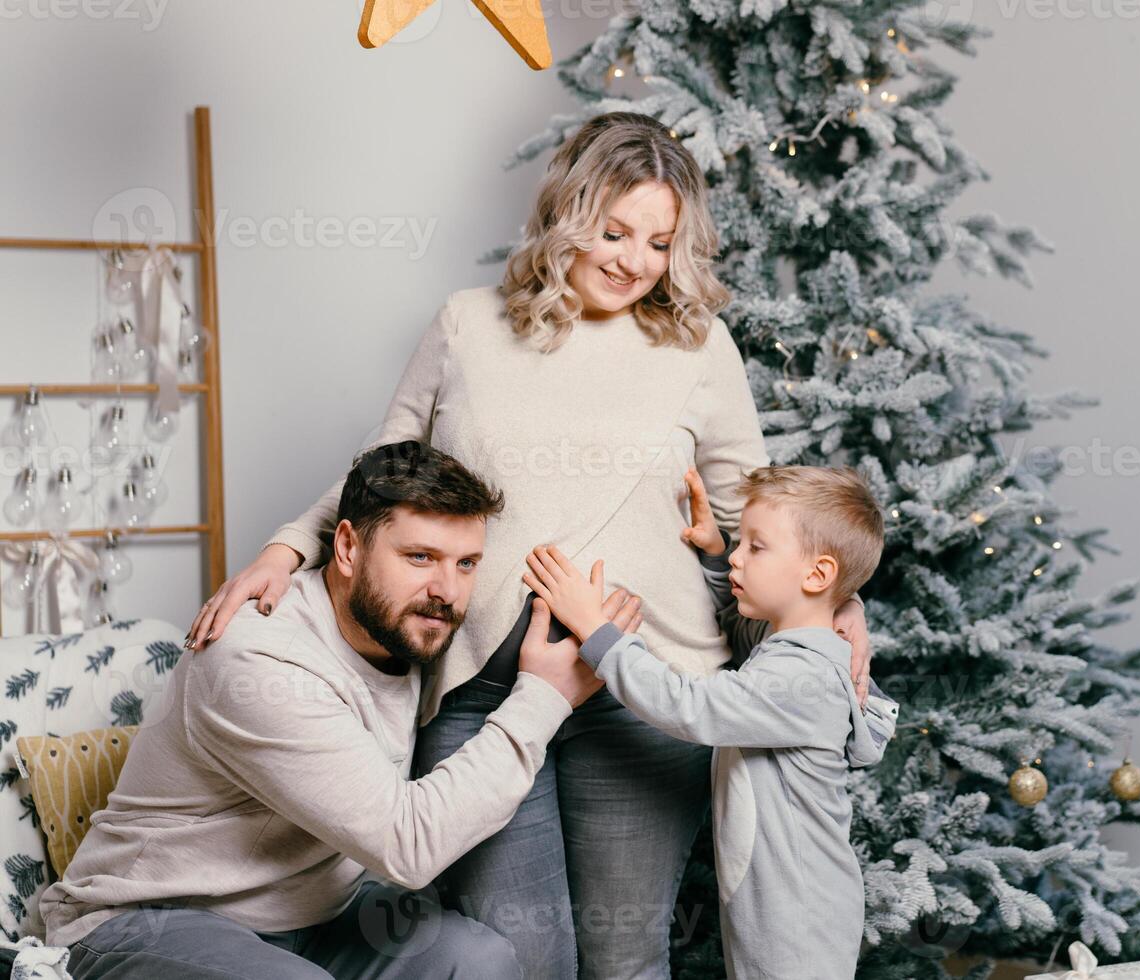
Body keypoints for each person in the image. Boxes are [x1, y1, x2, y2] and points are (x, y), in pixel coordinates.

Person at [183, 112, 875, 977]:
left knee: (626, 958)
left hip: (644, 693)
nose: (633, 261)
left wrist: (838, 602)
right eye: (614, 232)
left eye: (659, 243)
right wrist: (288, 548)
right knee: (518, 959)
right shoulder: (467, 325)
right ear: (566, 215)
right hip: (480, 687)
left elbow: (760, 515)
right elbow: (385, 471)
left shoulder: (698, 347)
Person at [40, 441, 637, 980]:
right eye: (420, 557)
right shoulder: (256, 657)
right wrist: (545, 696)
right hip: (148, 920)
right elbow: (408, 843)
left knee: (479, 960)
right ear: (347, 546)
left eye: (466, 564)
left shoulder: (411, 626)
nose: (447, 592)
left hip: (316, 920)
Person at [522, 464, 899, 979]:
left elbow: (688, 706)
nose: (740, 553)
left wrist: (597, 628)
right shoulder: (792, 650)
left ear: (817, 575)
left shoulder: (801, 678)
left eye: (756, 547)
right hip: (780, 901)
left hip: (799, 913)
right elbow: (746, 631)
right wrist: (719, 558)